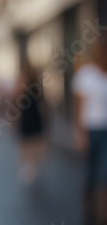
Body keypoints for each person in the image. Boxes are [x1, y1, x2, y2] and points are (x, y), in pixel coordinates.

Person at [73, 36, 107, 225]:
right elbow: (78, 106)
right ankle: (88, 209)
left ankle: (102, 215)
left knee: (104, 173)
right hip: (90, 130)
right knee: (90, 173)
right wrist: (79, 133)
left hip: (106, 131)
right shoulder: (86, 74)